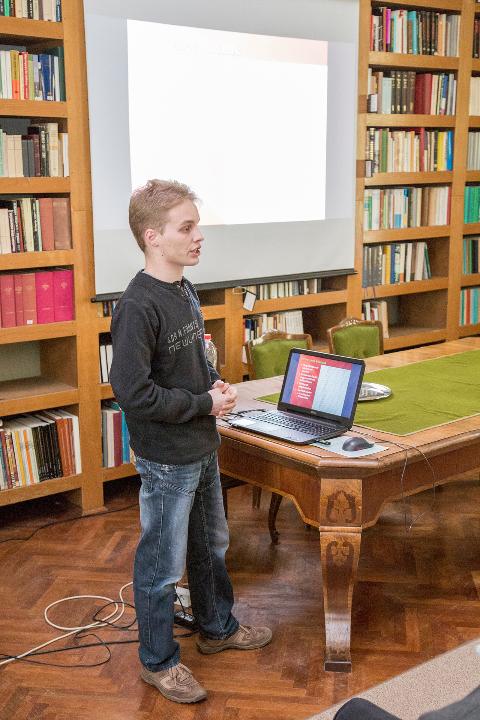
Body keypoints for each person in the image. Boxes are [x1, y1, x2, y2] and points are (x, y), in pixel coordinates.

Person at [109, 179, 272, 704]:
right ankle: (158, 662)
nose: (199, 236)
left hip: (201, 446)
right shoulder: (137, 305)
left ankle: (217, 629)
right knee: (161, 567)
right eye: (187, 227)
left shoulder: (184, 288)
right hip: (166, 459)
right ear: (153, 236)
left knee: (211, 547)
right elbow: (133, 393)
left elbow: (189, 363)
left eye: (197, 225)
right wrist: (204, 403)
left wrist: (214, 384)